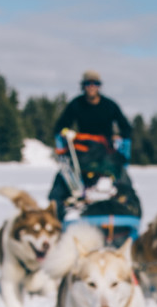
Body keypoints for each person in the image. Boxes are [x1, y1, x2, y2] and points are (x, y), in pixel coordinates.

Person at [49, 70, 134, 217]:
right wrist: (65, 133)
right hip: (82, 151)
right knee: (64, 177)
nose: (91, 87)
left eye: (95, 84)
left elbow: (126, 127)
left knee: (122, 177)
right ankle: (56, 212)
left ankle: (128, 209)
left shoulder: (109, 105)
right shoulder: (76, 104)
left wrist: (120, 140)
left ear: (99, 86)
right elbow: (61, 125)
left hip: (105, 150)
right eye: (88, 84)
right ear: (83, 86)